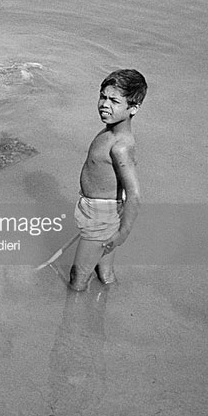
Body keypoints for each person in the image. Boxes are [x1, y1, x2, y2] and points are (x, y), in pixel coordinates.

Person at [70, 69, 147, 291]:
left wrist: (122, 233)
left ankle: (70, 320)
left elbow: (134, 194)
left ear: (133, 108)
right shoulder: (109, 132)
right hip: (105, 212)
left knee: (78, 276)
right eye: (103, 96)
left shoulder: (120, 146)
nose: (105, 104)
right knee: (104, 271)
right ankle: (107, 307)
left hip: (101, 216)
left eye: (114, 100)